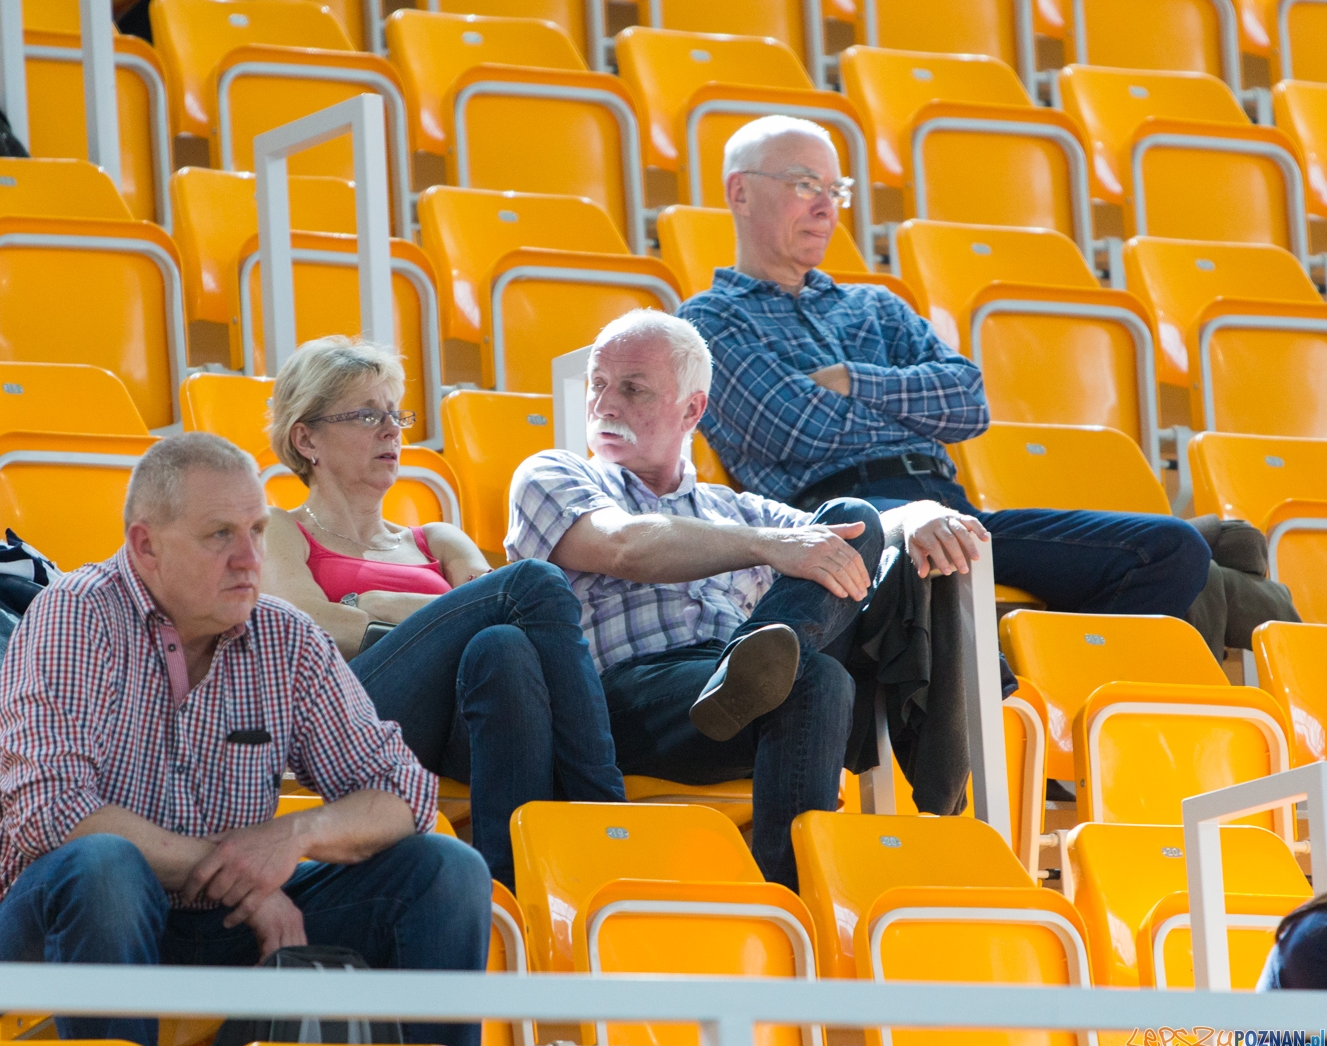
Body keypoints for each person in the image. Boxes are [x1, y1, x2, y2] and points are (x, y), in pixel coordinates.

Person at [0, 432, 492, 1046]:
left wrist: (295, 839)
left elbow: (403, 793)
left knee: (447, 870)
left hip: (217, 922)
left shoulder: (284, 637)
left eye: (259, 531)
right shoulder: (74, 617)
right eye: (220, 536)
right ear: (145, 545)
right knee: (105, 867)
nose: (249, 560)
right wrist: (247, 884)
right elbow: (54, 814)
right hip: (46, 919)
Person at [505, 309, 988, 890]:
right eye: (598, 384)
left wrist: (923, 511)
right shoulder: (552, 473)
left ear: (692, 410)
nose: (606, 404)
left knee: (838, 587)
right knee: (807, 664)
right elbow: (622, 545)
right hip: (627, 700)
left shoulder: (735, 509)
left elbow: (861, 534)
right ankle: (800, 899)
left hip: (737, 704)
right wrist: (768, 547)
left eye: (632, 389)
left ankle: (784, 907)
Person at [678, 115, 1212, 619]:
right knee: (936, 568)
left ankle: (1062, 674)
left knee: (1170, 548)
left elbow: (968, 402)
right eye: (804, 185)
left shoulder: (876, 304)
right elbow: (796, 427)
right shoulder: (708, 321)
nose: (826, 208)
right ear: (740, 191)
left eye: (836, 191)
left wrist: (852, 381)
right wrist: (912, 408)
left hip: (951, 507)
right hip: (844, 525)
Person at [262, 337, 625, 891]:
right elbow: (311, 627)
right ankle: (602, 808)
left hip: (454, 721)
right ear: (306, 437)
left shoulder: (437, 537)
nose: (391, 431)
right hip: (349, 716)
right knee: (532, 581)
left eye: (395, 414)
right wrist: (436, 619)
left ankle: (509, 892)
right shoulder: (281, 529)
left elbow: (495, 618)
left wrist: (369, 607)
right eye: (366, 415)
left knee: (503, 647)